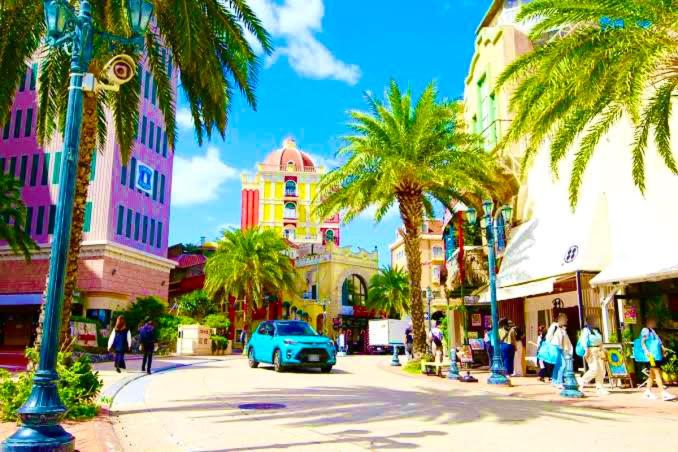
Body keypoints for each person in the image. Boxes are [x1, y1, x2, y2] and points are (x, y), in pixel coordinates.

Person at [635, 317, 675, 401]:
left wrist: (663, 349)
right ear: (647, 322)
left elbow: (658, 342)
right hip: (651, 356)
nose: (654, 322)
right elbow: (642, 341)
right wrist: (647, 352)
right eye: (652, 321)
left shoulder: (652, 330)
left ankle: (647, 392)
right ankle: (663, 393)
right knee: (657, 372)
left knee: (652, 374)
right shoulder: (645, 330)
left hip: (655, 355)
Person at [577, 314, 608, 395]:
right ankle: (582, 381)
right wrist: (586, 350)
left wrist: (602, 348)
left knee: (601, 369)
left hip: (599, 350)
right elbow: (584, 341)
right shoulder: (586, 330)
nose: (595, 321)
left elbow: (600, 341)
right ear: (588, 321)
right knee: (594, 369)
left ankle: (600, 387)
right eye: (593, 320)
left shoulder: (597, 330)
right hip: (591, 350)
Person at [548, 313, 572, 388]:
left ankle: (555, 381)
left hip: (560, 348)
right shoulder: (554, 326)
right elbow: (548, 336)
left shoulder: (562, 328)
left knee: (558, 365)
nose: (566, 320)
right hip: (556, 348)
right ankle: (559, 382)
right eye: (565, 318)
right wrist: (552, 345)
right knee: (562, 365)